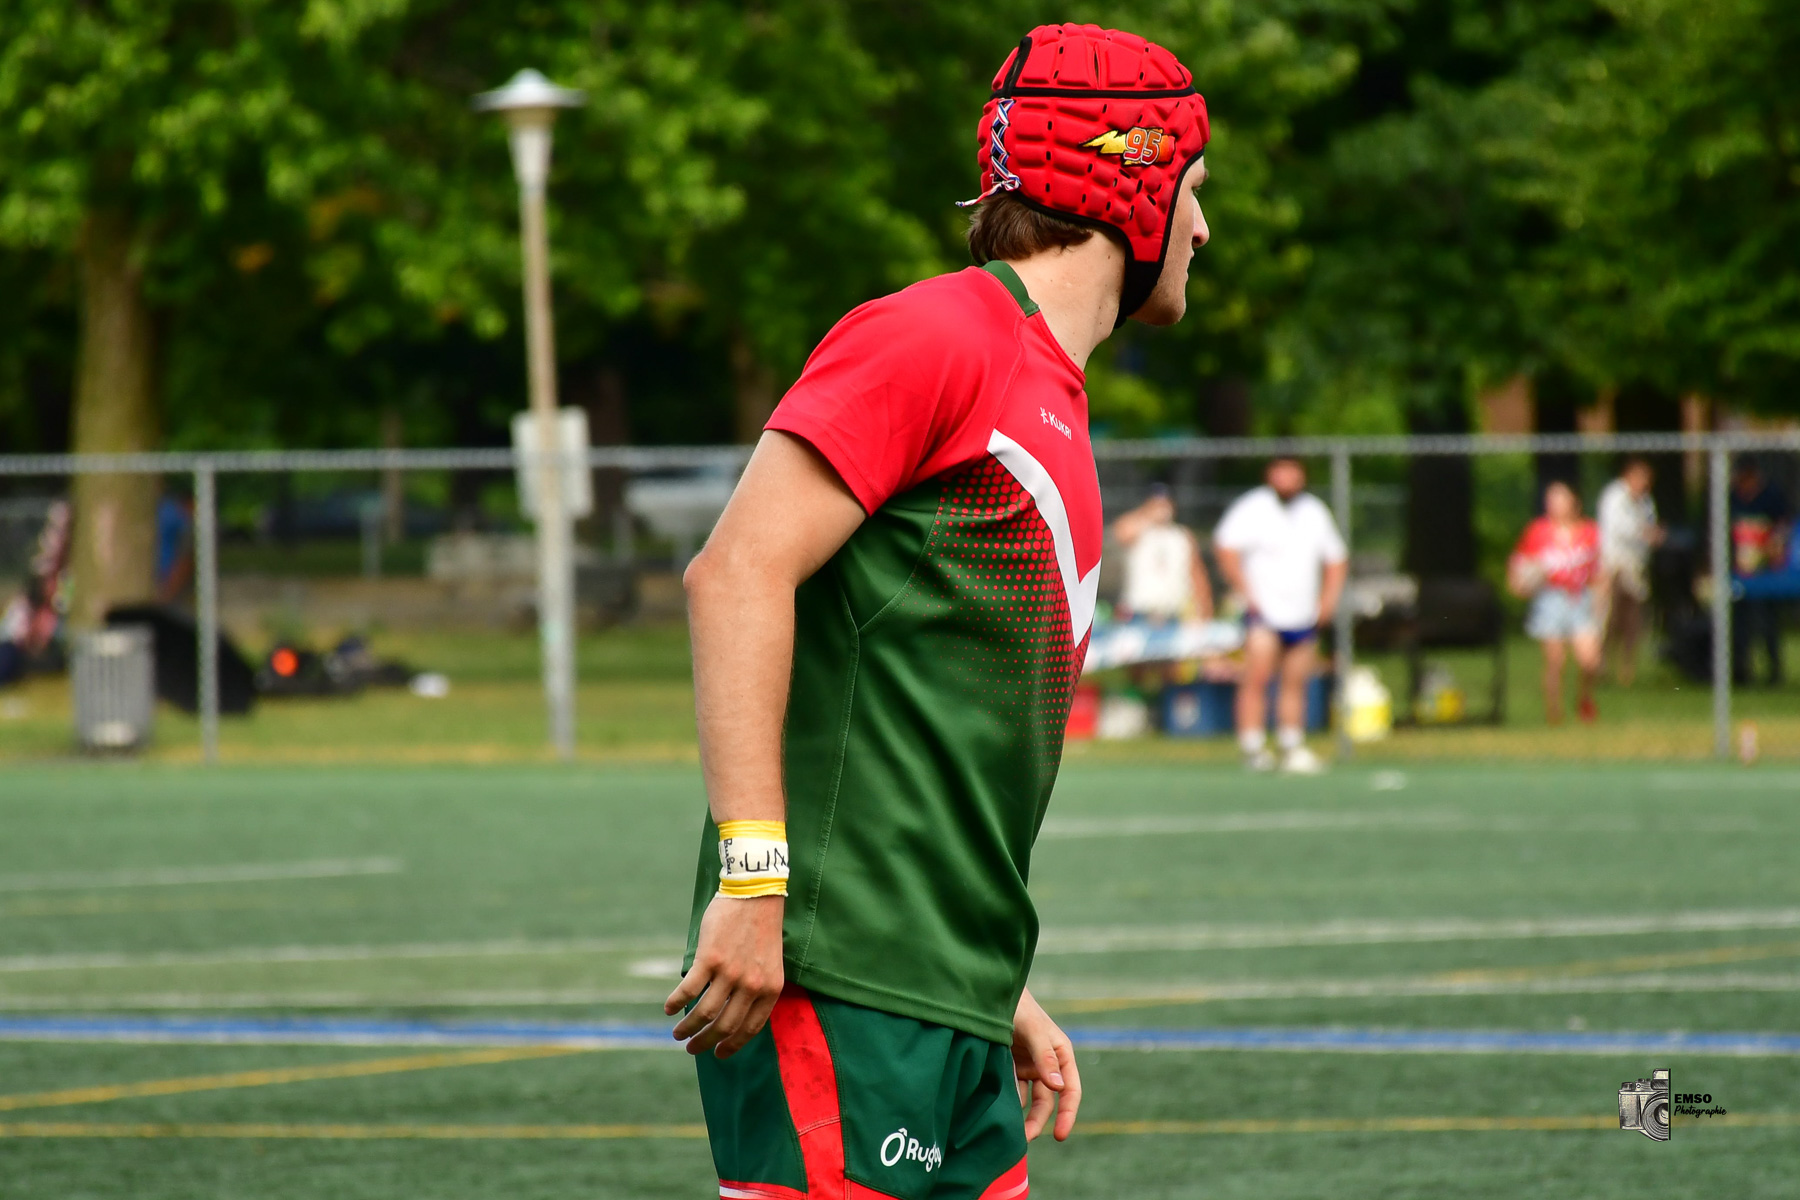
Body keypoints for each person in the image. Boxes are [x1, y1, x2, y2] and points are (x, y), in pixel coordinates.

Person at [664, 25, 1211, 1199]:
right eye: (1196, 188)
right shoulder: (941, 335)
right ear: (1133, 183)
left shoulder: (1047, 391)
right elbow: (736, 574)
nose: (1205, 229)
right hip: (842, 980)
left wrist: (988, 980)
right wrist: (755, 885)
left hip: (945, 987)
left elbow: (926, 721)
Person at [1213, 458, 1347, 773]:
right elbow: (1226, 548)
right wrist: (1246, 592)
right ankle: (1252, 747)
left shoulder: (1314, 511)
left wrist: (1327, 601)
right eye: (1280, 470)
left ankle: (1291, 744)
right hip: (1264, 613)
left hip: (1302, 614)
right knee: (1257, 677)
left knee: (1296, 681)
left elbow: (1336, 559)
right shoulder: (1252, 507)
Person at [1509, 481, 1601, 723]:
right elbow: (1519, 560)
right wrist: (1517, 582)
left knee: (1590, 660)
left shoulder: (1589, 531)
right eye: (1551, 500)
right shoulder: (1538, 531)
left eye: (1560, 499)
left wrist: (1601, 598)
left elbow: (1598, 569)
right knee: (1555, 660)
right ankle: (1554, 711)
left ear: (1574, 502)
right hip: (1550, 598)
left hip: (1579, 598)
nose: (1554, 505)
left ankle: (1584, 697)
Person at [1596, 457, 1664, 685]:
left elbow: (1650, 528)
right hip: (1613, 564)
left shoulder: (1646, 501)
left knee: (1632, 619)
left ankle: (1627, 668)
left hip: (1636, 566)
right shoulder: (1614, 497)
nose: (1645, 484)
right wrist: (1646, 533)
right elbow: (1619, 529)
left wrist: (1651, 534)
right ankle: (1601, 664)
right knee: (1608, 617)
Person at [1729, 457, 1792, 686]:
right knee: (1740, 622)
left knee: (1768, 621)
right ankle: (1740, 671)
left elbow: (1784, 524)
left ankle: (1773, 671)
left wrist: (1774, 546)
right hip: (1740, 571)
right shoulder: (1732, 497)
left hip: (1766, 571)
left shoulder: (1771, 495)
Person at [1111, 485, 1213, 623]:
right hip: (1138, 613)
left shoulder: (1181, 536)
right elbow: (1121, 532)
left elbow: (1197, 574)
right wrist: (1148, 515)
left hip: (1174, 614)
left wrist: (1204, 608)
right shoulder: (1137, 530)